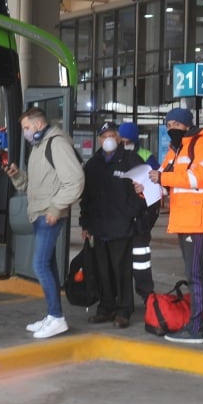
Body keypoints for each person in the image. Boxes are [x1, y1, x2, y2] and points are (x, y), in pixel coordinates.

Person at [4, 106, 85, 339]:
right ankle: (52, 316)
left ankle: (57, 317)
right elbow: (38, 185)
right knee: (47, 265)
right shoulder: (39, 146)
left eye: (27, 128)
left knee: (39, 265)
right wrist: (18, 176)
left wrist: (56, 207)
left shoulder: (56, 144)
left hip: (49, 214)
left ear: (38, 124)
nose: (26, 133)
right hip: (41, 212)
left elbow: (76, 180)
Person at [149, 107, 203, 344]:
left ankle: (196, 327)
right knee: (198, 270)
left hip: (200, 219)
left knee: (194, 273)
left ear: (187, 124)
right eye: (168, 124)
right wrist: (148, 186)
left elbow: (198, 178)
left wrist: (162, 179)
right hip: (186, 217)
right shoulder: (176, 149)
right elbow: (164, 175)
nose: (172, 128)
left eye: (176, 124)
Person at [80, 121, 146, 328]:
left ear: (118, 138)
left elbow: (142, 191)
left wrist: (130, 213)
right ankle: (106, 307)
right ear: (99, 139)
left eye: (112, 135)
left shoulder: (130, 160)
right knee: (103, 270)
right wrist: (85, 224)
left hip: (121, 226)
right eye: (104, 135)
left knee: (121, 270)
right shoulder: (93, 165)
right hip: (99, 227)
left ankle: (124, 309)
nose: (108, 139)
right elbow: (86, 197)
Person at [118, 121, 159, 303]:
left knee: (140, 255)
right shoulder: (117, 156)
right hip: (122, 212)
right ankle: (129, 295)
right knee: (125, 255)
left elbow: (156, 183)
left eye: (125, 137)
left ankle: (145, 292)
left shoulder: (145, 156)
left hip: (141, 213)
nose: (123, 140)